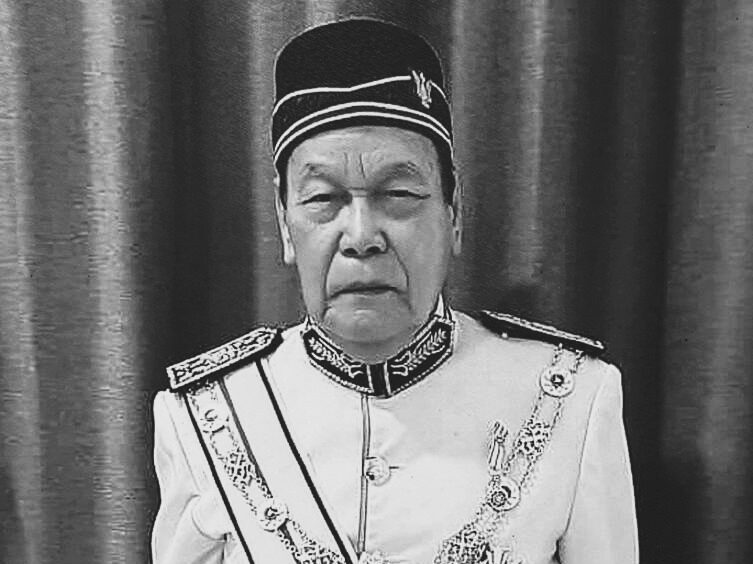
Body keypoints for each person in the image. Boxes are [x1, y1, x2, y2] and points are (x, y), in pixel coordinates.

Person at [151, 18, 638, 564]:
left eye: (399, 194)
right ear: (286, 224)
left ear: (454, 214)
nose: (361, 237)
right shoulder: (205, 415)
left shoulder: (569, 396)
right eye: (323, 199)